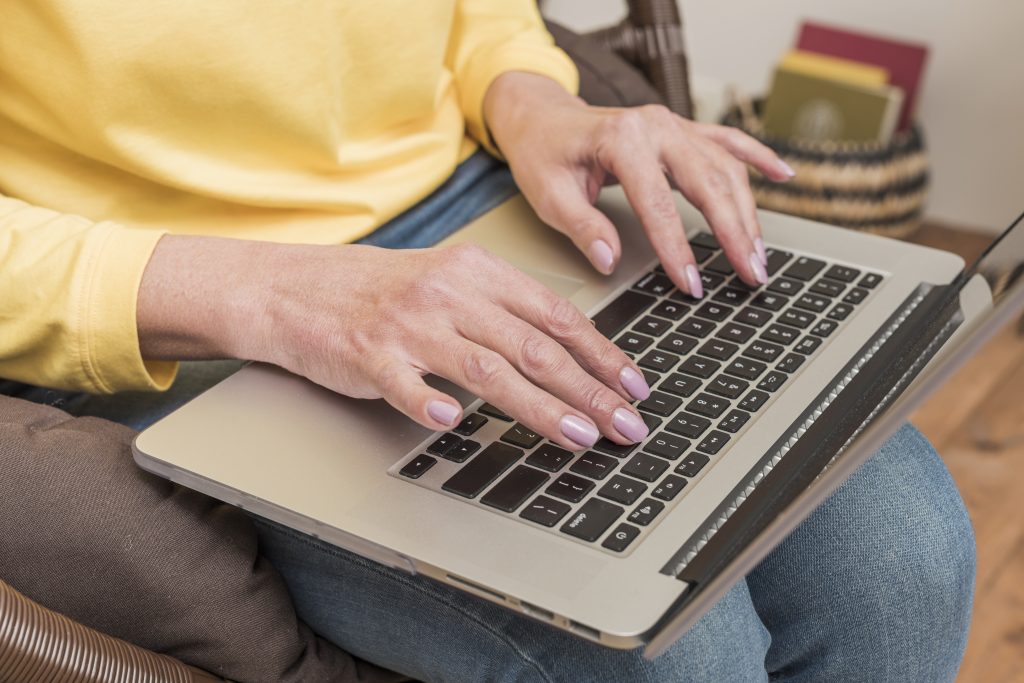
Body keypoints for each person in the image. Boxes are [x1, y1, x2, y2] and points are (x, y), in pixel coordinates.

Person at [0, 1, 974, 681]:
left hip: (464, 194)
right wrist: (278, 295)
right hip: (170, 292)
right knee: (670, 647)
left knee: (906, 555)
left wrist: (532, 100)